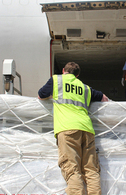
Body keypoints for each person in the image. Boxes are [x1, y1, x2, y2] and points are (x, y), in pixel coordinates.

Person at [38, 62, 109, 195]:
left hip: (67, 128)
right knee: (91, 170)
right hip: (87, 129)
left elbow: (41, 95)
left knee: (72, 169)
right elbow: (104, 98)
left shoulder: (56, 80)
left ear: (64, 70)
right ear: (77, 75)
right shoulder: (85, 88)